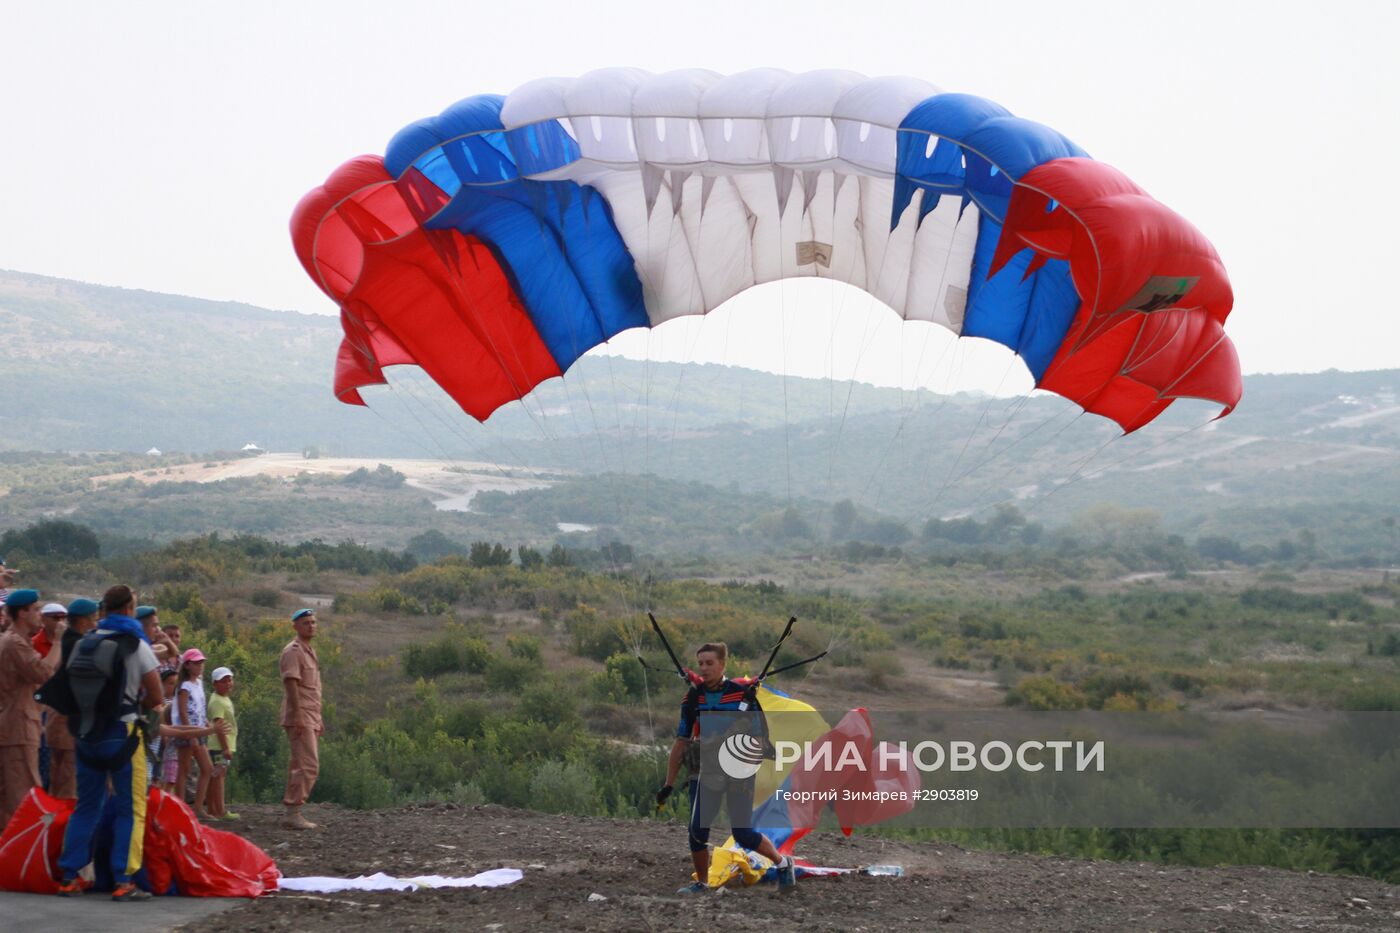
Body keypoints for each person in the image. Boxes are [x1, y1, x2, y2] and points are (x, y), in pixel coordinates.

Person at [659, 642, 796, 894]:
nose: (704, 668)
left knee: (743, 833)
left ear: (722, 665)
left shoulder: (742, 696)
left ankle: (783, 863)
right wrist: (668, 783)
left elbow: (758, 738)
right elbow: (681, 741)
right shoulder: (693, 697)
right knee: (697, 830)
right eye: (700, 664)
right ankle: (702, 883)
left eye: (710, 663)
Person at [55, 584, 161, 901]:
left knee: (86, 807)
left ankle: (69, 876)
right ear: (129, 608)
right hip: (123, 734)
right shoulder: (134, 644)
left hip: (86, 735)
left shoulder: (85, 641)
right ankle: (123, 879)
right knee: (131, 808)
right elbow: (156, 696)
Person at [0, 589, 61, 827]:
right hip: (17, 728)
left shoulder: (13, 641)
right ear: (22, 613)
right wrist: (56, 643)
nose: (39, 614)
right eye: (35, 610)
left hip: (16, 724)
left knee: (8, 801)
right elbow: (43, 672)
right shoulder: (14, 643)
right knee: (24, 796)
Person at [42, 598, 100, 798]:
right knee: (68, 784)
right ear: (83, 621)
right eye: (93, 619)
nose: (96, 624)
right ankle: (64, 828)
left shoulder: (68, 641)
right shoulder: (78, 645)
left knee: (58, 778)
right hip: (67, 722)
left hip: (58, 720)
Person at [280, 608, 323, 830]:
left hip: (310, 714)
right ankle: (293, 810)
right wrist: (297, 714)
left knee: (300, 763)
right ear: (295, 626)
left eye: (313, 622)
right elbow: (291, 684)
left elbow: (312, 688)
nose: (311, 626)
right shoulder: (293, 651)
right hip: (301, 714)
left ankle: (292, 811)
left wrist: (318, 717)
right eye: (306, 623)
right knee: (309, 765)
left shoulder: (308, 651)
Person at [172, 648, 214, 820]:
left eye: (201, 663)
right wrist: (191, 734)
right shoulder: (184, 686)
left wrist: (204, 723)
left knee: (206, 768)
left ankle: (197, 807)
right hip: (187, 731)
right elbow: (183, 712)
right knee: (185, 769)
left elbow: (199, 707)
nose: (200, 666)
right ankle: (182, 807)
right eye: (196, 663)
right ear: (187, 665)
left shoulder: (198, 683)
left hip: (198, 729)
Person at [33, 603, 68, 792]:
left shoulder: (67, 642)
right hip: (40, 706)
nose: (60, 622)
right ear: (43, 619)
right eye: (55, 618)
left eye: (63, 618)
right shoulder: (34, 643)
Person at [205, 666, 239, 821]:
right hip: (219, 746)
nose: (228, 683)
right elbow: (218, 726)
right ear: (215, 683)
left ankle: (213, 809)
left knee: (216, 776)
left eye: (229, 679)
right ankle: (220, 811)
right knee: (219, 777)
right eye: (224, 681)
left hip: (219, 745)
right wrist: (226, 748)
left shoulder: (222, 698)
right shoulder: (218, 701)